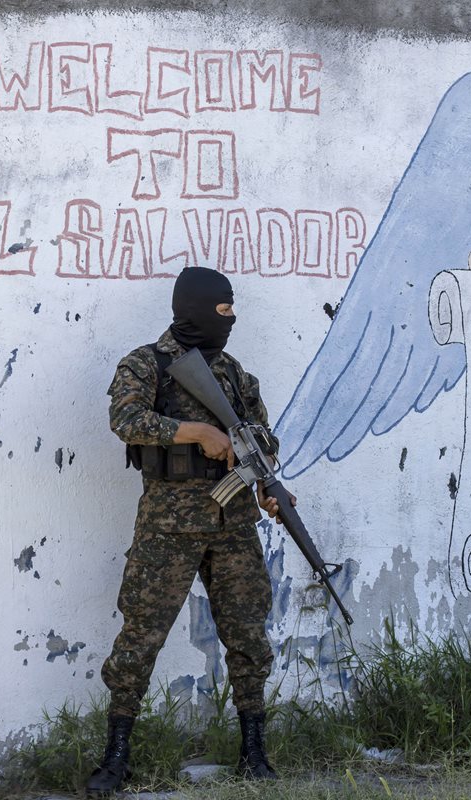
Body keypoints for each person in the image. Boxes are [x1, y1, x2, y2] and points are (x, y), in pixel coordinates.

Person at [88, 267, 287, 795]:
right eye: (224, 310)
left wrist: (268, 484)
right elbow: (125, 419)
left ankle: (254, 751)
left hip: (234, 526)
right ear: (196, 308)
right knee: (140, 639)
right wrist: (193, 432)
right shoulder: (147, 364)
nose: (231, 318)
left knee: (247, 635)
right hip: (168, 528)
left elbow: (264, 439)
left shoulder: (236, 375)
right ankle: (116, 757)